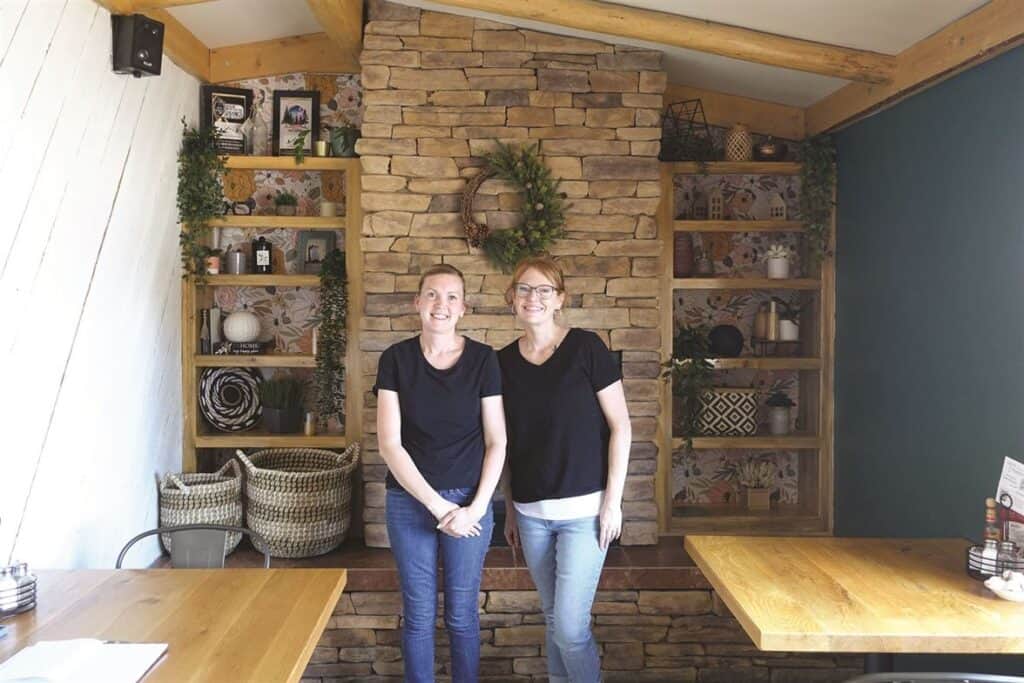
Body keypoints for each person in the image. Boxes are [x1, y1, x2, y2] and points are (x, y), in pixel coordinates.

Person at [498, 256, 631, 683]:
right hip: (532, 515)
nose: (532, 298)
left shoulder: (586, 348)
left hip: (585, 515)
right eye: (524, 289)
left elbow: (621, 427)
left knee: (571, 629)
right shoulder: (501, 364)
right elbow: (504, 444)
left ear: (560, 299)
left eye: (543, 290)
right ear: (511, 298)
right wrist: (511, 509)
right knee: (554, 620)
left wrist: (613, 504)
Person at [374, 263, 507, 683]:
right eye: (432, 294)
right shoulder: (395, 359)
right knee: (417, 617)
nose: (441, 304)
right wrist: (435, 505)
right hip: (409, 504)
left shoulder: (484, 360)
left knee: (462, 617)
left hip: (471, 504)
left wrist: (475, 510)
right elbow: (389, 444)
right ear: (417, 303)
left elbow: (497, 441)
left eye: (451, 296)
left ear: (464, 307)